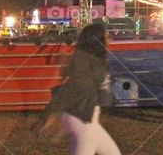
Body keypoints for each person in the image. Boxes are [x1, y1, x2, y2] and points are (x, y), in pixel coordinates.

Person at [33, 23, 119, 155]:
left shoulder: (94, 60)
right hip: (82, 120)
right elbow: (68, 89)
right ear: (97, 40)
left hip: (87, 119)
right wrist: (47, 116)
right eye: (107, 37)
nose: (110, 40)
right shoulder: (87, 62)